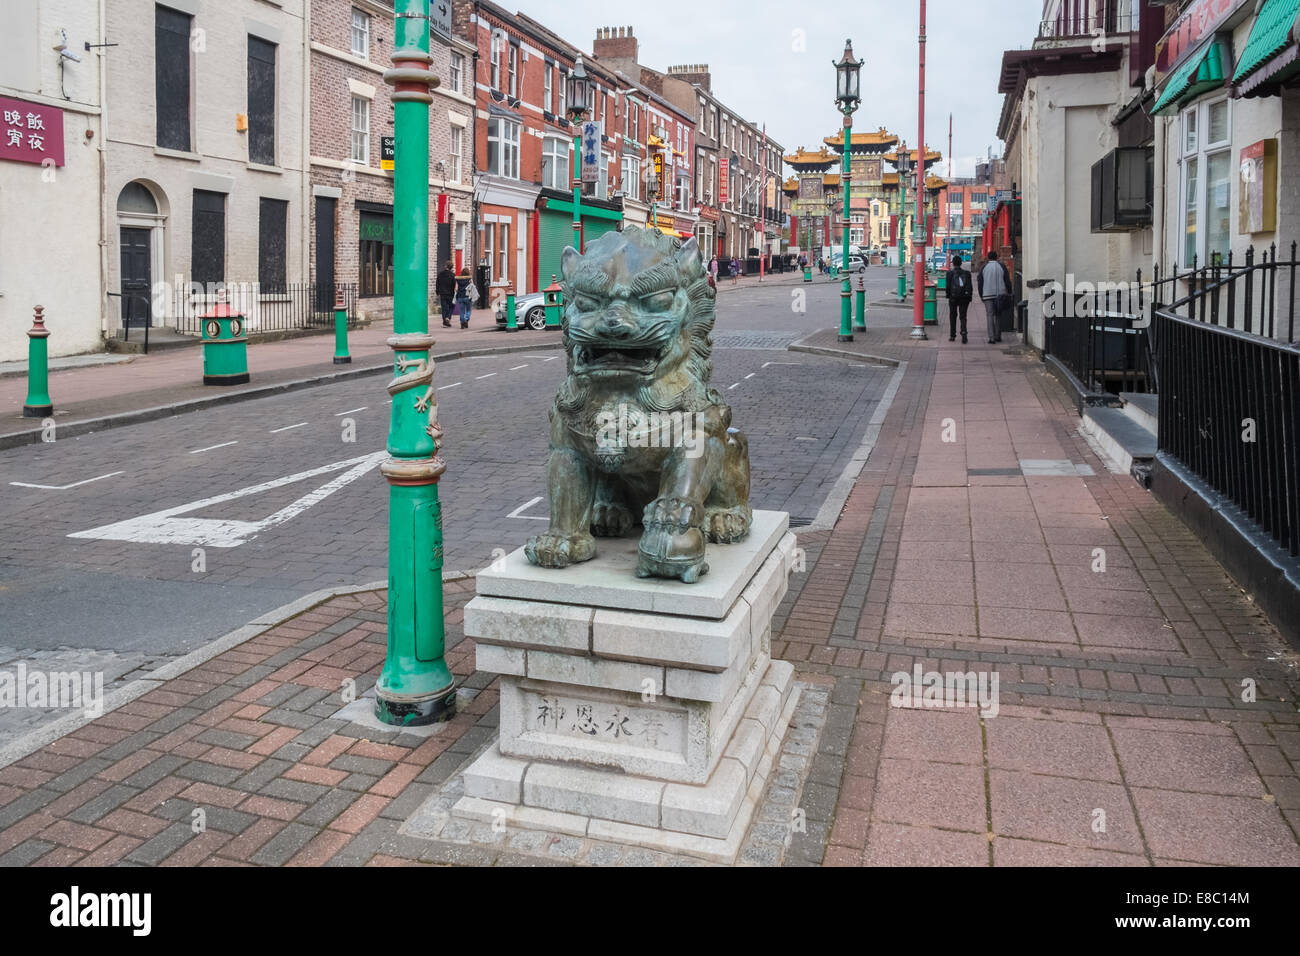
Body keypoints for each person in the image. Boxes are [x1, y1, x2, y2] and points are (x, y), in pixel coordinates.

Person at [977, 250, 1013, 344]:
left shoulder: (984, 267)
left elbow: (980, 282)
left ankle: (991, 337)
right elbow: (1007, 280)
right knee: (998, 315)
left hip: (987, 294)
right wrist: (1009, 291)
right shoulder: (1002, 266)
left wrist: (981, 294)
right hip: (1000, 294)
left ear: (988, 258)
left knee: (989, 315)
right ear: (997, 257)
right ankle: (998, 335)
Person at [945, 254, 973, 344]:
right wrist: (969, 296)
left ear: (953, 263)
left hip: (953, 297)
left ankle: (952, 335)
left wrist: (948, 295)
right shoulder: (967, 273)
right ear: (961, 263)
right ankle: (964, 332)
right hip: (964, 297)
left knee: (953, 316)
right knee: (963, 316)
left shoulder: (949, 273)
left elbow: (948, 286)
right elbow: (970, 286)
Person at [436, 261, 456, 328]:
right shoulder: (453, 275)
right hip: (450, 293)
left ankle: (445, 320)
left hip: (442, 293)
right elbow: (454, 285)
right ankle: (448, 317)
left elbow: (437, 283)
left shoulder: (440, 274)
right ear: (451, 267)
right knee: (451, 306)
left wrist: (437, 292)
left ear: (446, 266)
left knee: (444, 307)